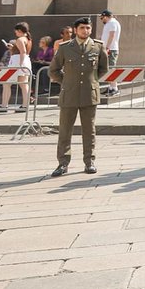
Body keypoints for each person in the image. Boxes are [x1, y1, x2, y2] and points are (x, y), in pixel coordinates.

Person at [48, 18, 108, 176]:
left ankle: (89, 161)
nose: (85, 31)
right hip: (70, 94)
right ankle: (63, 163)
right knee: (65, 130)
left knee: (89, 130)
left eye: (88, 28)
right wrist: (66, 81)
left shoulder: (98, 46)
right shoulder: (65, 48)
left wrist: (92, 81)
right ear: (75, 30)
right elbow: (53, 70)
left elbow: (103, 69)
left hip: (89, 94)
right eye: (82, 28)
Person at [0, 22, 33, 112]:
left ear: (19, 31)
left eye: (16, 31)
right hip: (25, 61)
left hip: (18, 62)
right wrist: (13, 48)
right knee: (24, 84)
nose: (15, 33)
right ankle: (25, 105)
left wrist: (20, 64)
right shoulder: (28, 39)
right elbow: (23, 51)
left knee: (7, 83)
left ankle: (4, 105)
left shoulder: (20, 39)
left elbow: (22, 52)